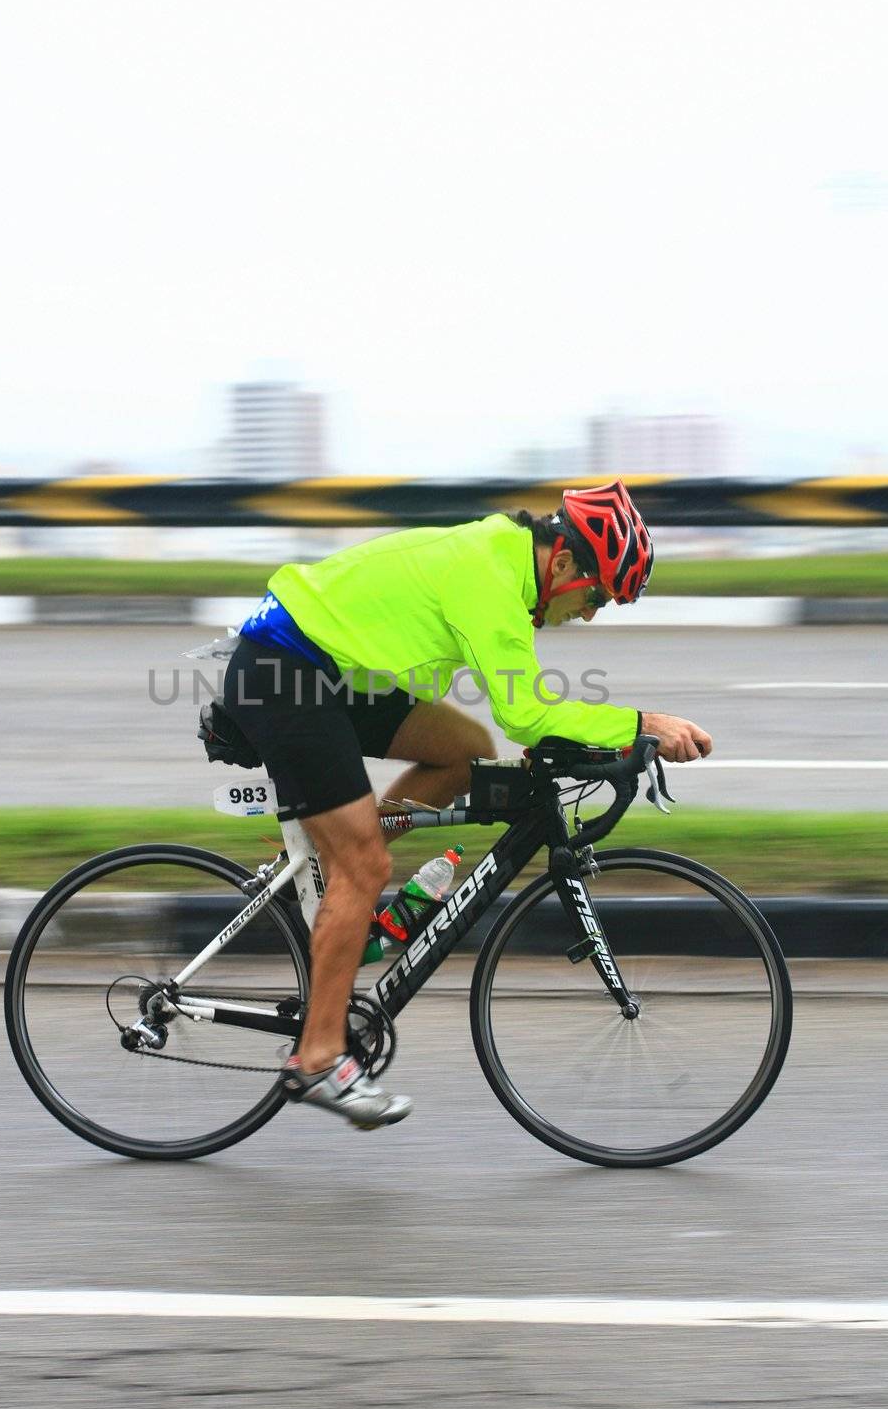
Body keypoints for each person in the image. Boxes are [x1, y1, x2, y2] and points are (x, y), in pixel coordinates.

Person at [221, 480, 712, 1130]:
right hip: (289, 674)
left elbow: (513, 715)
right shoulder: (489, 574)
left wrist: (594, 738)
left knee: (462, 749)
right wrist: (641, 722)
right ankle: (315, 1059)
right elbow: (527, 713)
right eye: (595, 596)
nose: (591, 614)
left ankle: (343, 885)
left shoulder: (509, 560)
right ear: (562, 563)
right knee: (365, 869)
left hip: (335, 669)